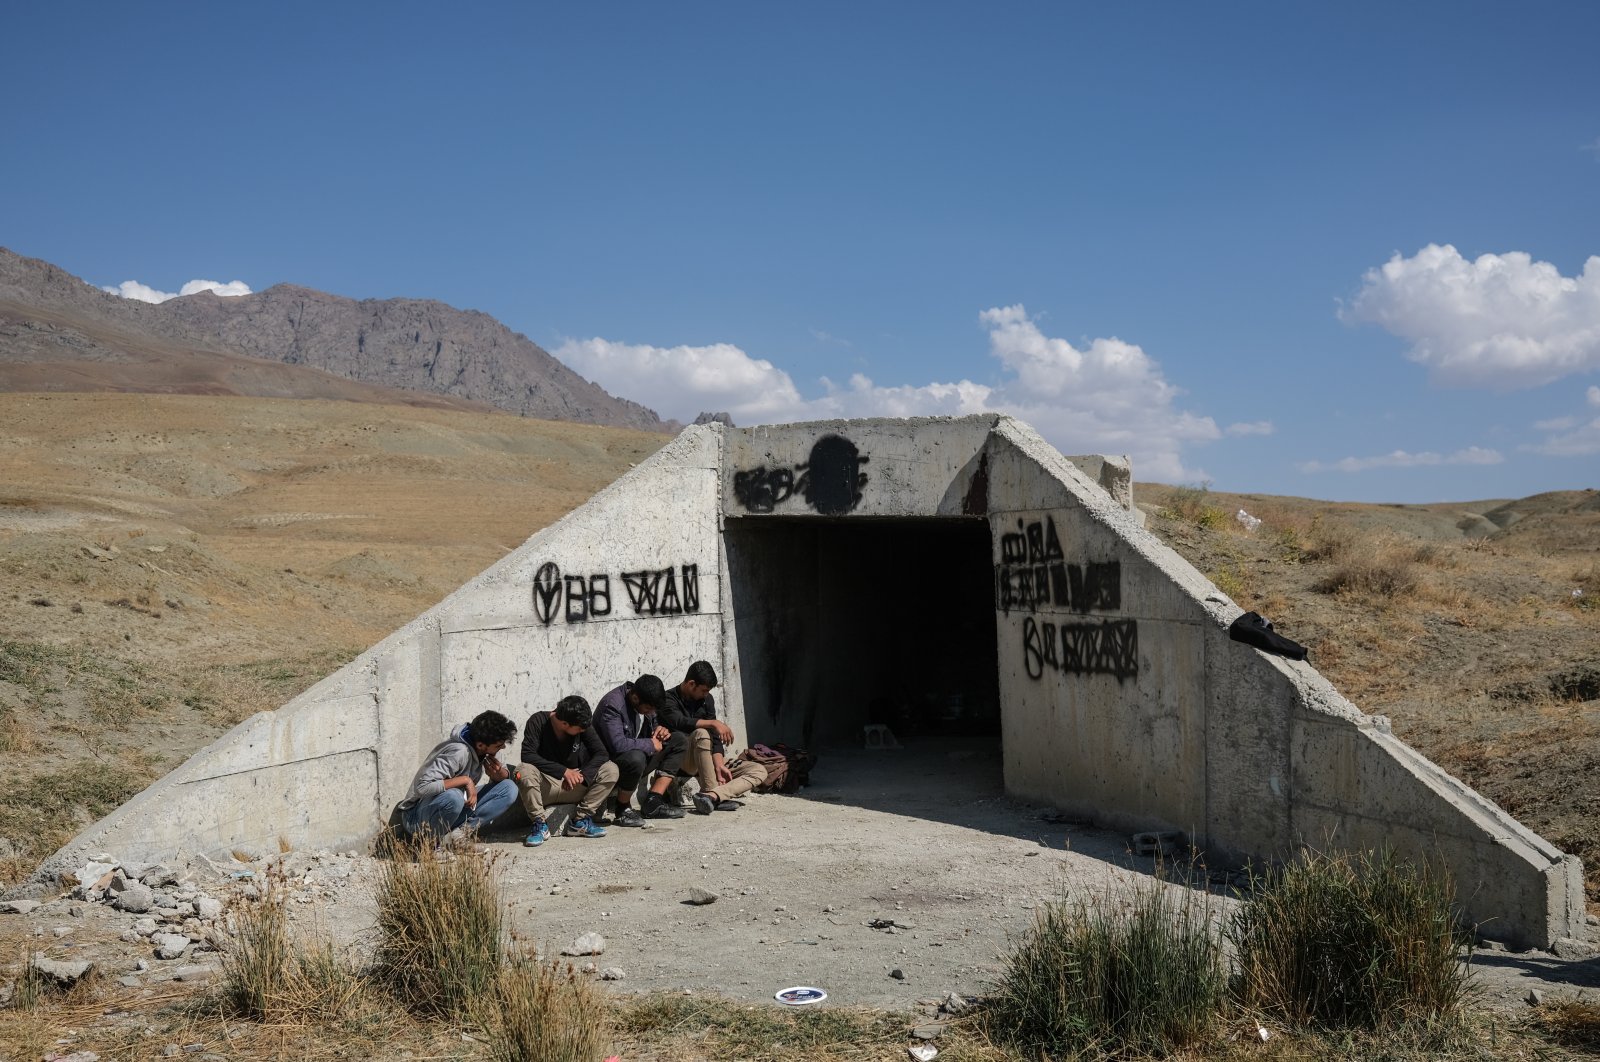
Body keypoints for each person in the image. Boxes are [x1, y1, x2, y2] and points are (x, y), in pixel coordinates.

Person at [396, 709, 519, 848]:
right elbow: (422, 787)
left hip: (453, 811)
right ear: (480, 745)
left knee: (509, 788)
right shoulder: (459, 752)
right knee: (454, 796)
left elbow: (503, 777)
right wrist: (466, 780)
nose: (502, 747)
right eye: (499, 745)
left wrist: (501, 775)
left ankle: (458, 836)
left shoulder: (488, 750)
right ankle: (432, 846)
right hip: (416, 819)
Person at [659, 660, 767, 814]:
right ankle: (710, 789)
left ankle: (712, 796)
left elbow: (715, 737)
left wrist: (719, 764)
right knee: (701, 733)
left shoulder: (706, 700)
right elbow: (680, 722)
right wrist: (712, 723)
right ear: (691, 684)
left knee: (759, 770)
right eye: (703, 690)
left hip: (708, 759)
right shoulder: (668, 699)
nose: (706, 694)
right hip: (684, 761)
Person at [514, 695, 618, 846]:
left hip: (575, 786)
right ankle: (539, 824)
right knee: (523, 770)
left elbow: (601, 753)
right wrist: (564, 771)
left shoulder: (581, 724)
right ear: (564, 723)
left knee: (611, 769)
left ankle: (580, 821)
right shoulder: (538, 721)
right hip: (546, 786)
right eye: (579, 729)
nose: (582, 731)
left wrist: (581, 776)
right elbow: (527, 755)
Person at [594, 674, 689, 822]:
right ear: (635, 698)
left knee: (678, 740)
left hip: (639, 758)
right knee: (636, 757)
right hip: (613, 763)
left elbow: (653, 722)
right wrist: (650, 744)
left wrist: (659, 731)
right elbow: (617, 745)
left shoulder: (644, 701)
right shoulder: (613, 705)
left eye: (653, 710)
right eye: (648, 708)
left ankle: (653, 802)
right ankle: (622, 807)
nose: (651, 712)